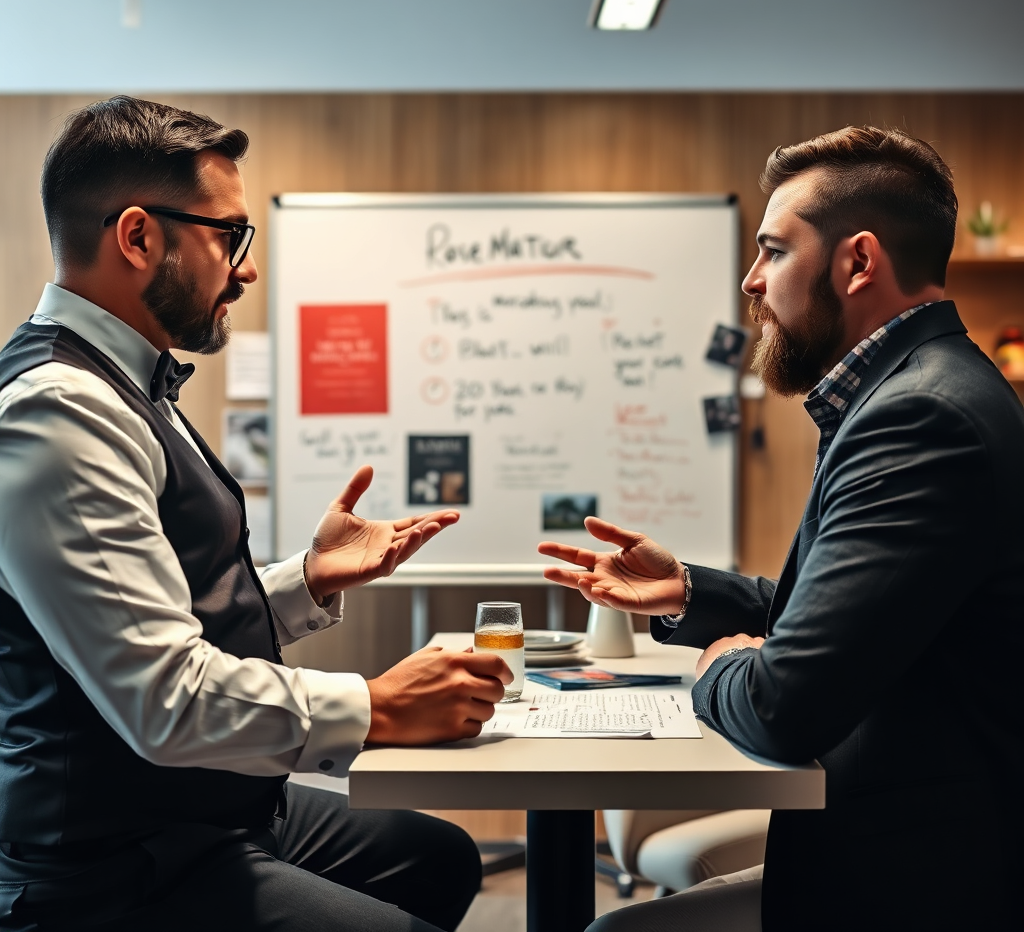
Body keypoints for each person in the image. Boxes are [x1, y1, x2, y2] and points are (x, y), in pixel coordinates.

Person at [0, 96, 513, 932]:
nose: (245, 269)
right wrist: (377, 705)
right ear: (137, 237)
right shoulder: (57, 412)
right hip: (112, 865)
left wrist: (306, 582)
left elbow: (164, 610)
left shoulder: (129, 381)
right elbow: (163, 697)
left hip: (208, 810)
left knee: (440, 858)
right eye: (228, 236)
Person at [541, 127, 1024, 932]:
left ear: (858, 262)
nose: (751, 279)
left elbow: (782, 706)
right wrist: (689, 592)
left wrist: (718, 666)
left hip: (914, 880)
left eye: (772, 250)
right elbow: (855, 615)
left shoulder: (919, 416)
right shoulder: (921, 390)